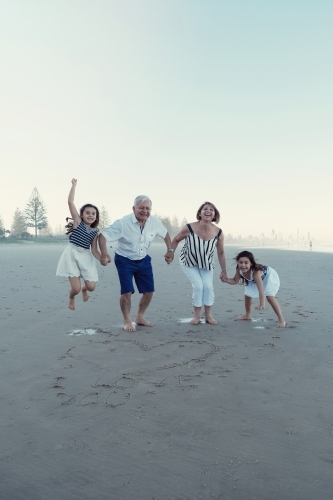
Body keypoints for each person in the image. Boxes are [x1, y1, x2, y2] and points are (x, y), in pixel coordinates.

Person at [99, 195, 173, 332]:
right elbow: (103, 235)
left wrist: (170, 250)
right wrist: (104, 253)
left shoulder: (154, 222)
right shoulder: (123, 223)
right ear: (134, 208)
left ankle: (139, 317)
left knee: (149, 291)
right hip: (124, 259)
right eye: (141, 208)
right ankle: (127, 320)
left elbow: (166, 234)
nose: (145, 211)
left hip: (143, 259)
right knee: (127, 292)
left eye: (147, 208)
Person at [168, 202, 227, 325]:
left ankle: (209, 316)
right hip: (189, 262)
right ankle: (196, 316)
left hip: (206, 264)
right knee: (199, 286)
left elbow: (220, 253)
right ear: (200, 213)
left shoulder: (219, 233)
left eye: (211, 209)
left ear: (215, 215)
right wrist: (171, 252)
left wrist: (224, 270)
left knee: (208, 287)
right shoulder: (189, 228)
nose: (208, 211)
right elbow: (176, 239)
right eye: (205, 209)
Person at [56, 179, 101, 310]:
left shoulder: (95, 232)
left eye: (93, 213)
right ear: (81, 215)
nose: (90, 215)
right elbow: (70, 202)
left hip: (85, 256)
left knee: (91, 287)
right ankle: (72, 296)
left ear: (96, 217)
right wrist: (73, 186)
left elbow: (94, 250)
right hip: (71, 254)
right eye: (87, 213)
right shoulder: (77, 222)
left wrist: (102, 258)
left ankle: (84, 289)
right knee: (74, 289)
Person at [221, 250, 286, 328]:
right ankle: (248, 314)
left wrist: (262, 303)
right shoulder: (239, 269)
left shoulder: (255, 272)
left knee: (270, 297)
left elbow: (261, 289)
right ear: (237, 263)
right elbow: (235, 281)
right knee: (247, 295)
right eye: (240, 262)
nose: (243, 265)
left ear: (251, 263)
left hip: (268, 276)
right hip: (253, 280)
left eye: (246, 262)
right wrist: (226, 280)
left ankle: (281, 319)